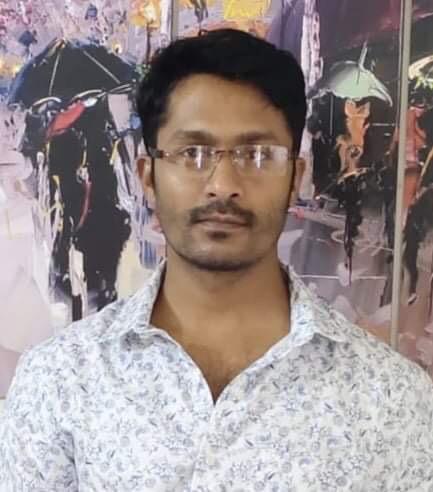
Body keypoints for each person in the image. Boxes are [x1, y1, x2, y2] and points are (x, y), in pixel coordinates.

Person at [1, 29, 433, 492]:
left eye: (258, 154)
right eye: (193, 153)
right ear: (148, 176)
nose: (223, 184)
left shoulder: (391, 398)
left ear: (295, 177)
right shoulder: (61, 379)